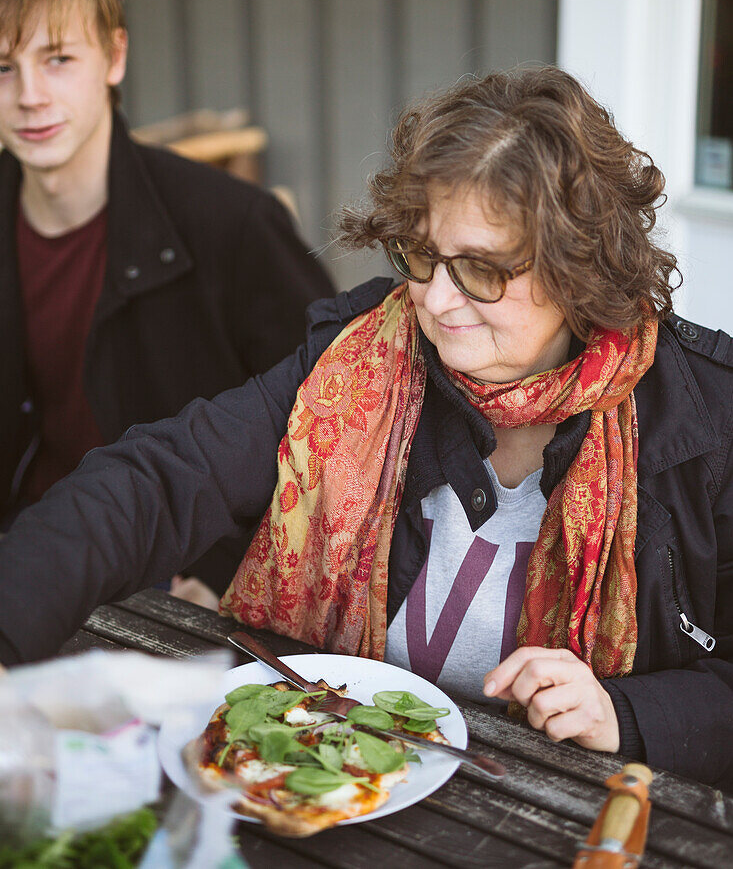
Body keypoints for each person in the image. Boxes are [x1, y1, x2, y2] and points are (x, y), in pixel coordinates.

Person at [0, 66, 731, 791]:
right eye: (421, 254)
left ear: (580, 265)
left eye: (479, 268)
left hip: (575, 815)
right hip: (337, 786)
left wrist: (625, 714)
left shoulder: (706, 423)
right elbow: (159, 480)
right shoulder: (352, 359)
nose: (437, 300)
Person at [0, 0, 333, 595]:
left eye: (58, 58)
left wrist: (223, 570)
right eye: (2, 68)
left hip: (172, 578)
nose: (30, 95)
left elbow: (325, 416)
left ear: (114, 56)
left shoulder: (232, 224)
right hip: (25, 563)